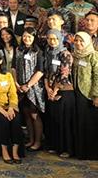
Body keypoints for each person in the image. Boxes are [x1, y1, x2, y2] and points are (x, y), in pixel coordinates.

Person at [43, 29, 75, 158]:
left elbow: (64, 74)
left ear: (60, 39)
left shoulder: (65, 54)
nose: (52, 41)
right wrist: (48, 88)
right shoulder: (49, 52)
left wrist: (55, 89)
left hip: (64, 90)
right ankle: (56, 146)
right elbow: (46, 72)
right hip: (51, 90)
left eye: (55, 39)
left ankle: (66, 149)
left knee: (64, 121)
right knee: (54, 120)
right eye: (50, 39)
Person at [12, 28, 44, 151]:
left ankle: (38, 142)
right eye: (25, 36)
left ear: (34, 38)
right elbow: (13, 67)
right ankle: (30, 140)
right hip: (20, 87)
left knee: (34, 115)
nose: (26, 39)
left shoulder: (38, 51)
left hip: (34, 88)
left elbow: (40, 71)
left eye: (30, 36)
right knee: (26, 115)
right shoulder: (18, 50)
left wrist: (28, 85)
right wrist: (16, 83)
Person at [72, 31, 98, 160]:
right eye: (76, 41)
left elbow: (97, 76)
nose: (78, 43)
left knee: (90, 124)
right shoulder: (75, 55)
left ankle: (92, 153)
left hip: (89, 94)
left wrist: (96, 95)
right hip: (77, 93)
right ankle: (81, 152)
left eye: (81, 41)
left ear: (87, 41)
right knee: (79, 122)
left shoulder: (93, 55)